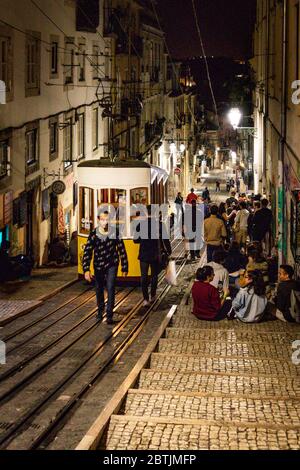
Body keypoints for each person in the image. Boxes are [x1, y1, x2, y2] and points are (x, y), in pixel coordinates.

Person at [82, 210, 128, 324]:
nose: (105, 222)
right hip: (98, 265)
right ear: (99, 220)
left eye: (107, 220)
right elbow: (87, 251)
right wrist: (86, 269)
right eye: (103, 220)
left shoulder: (114, 232)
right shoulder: (94, 234)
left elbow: (121, 248)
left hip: (112, 263)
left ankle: (109, 314)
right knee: (99, 288)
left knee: (111, 286)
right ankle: (100, 310)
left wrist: (124, 267)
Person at [135, 206, 172, 306]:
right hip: (155, 254)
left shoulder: (140, 225)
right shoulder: (160, 225)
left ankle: (145, 299)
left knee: (143, 277)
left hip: (144, 254)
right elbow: (166, 240)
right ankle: (153, 296)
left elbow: (135, 240)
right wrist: (169, 251)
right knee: (154, 276)